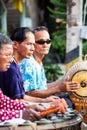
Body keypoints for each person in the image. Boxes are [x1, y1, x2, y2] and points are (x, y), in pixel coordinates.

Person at [19, 26, 80, 108]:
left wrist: (63, 81)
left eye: (48, 41)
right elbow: (29, 93)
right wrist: (58, 88)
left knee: (75, 98)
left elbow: (42, 87)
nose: (45, 45)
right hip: (35, 104)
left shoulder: (38, 61)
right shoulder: (28, 63)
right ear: (32, 44)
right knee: (71, 102)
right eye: (41, 42)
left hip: (44, 100)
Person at [0, 27, 64, 103]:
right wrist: (45, 102)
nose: (33, 48)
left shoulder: (15, 65)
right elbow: (18, 100)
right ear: (15, 45)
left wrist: (45, 101)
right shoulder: (11, 68)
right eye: (29, 44)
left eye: (48, 41)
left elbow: (21, 96)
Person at [0, 33, 44, 122]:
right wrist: (20, 114)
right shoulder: (12, 70)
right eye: (7, 55)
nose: (11, 59)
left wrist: (27, 107)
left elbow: (3, 101)